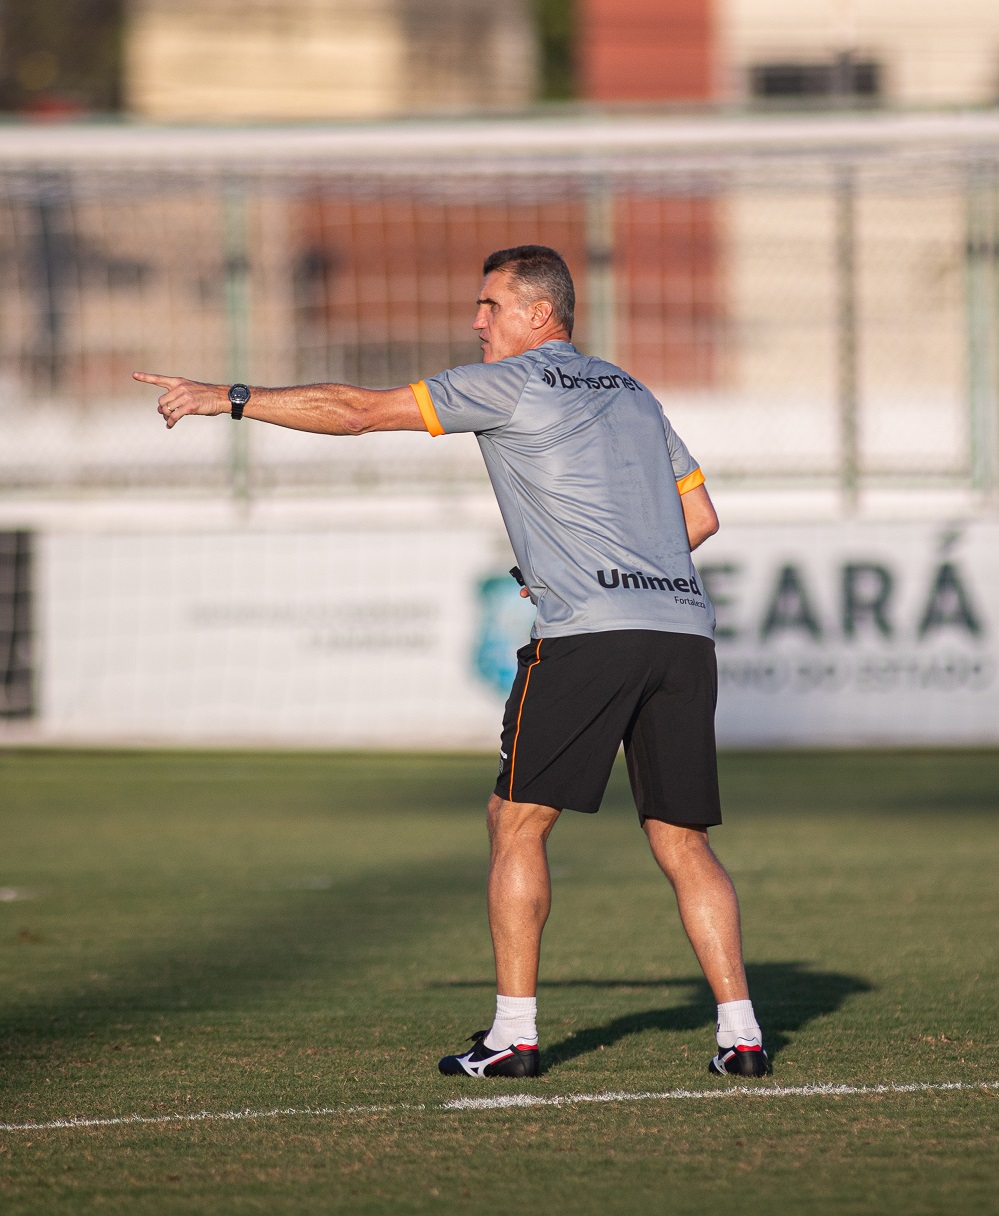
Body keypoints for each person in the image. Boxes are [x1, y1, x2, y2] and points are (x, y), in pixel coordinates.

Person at [134, 244, 769, 1082]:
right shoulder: (632, 392)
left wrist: (232, 397)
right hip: (682, 632)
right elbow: (700, 517)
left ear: (540, 315)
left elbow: (360, 411)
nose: (476, 321)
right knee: (682, 840)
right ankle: (742, 1034)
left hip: (588, 635)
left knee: (516, 822)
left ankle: (514, 1033)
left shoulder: (509, 383)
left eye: (491, 305)